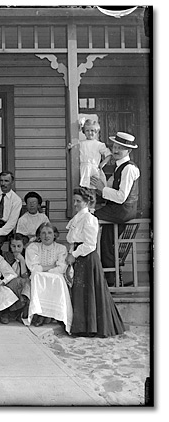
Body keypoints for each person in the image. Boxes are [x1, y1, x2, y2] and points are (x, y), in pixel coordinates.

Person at [66, 188, 125, 337]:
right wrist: (71, 255)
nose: (75, 204)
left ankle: (93, 328)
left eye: (78, 201)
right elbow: (73, 240)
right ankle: (82, 327)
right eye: (74, 201)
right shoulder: (77, 218)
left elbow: (90, 244)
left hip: (87, 258)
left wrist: (74, 254)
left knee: (89, 291)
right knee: (79, 291)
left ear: (87, 202)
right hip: (77, 257)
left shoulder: (89, 219)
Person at [91, 131, 140, 286]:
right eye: (114, 146)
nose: (116, 150)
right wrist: (100, 185)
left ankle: (103, 275)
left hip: (123, 210)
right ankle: (111, 279)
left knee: (89, 217)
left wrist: (102, 189)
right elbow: (111, 188)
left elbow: (121, 196)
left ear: (129, 151)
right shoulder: (119, 167)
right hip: (118, 209)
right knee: (107, 241)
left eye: (121, 148)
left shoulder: (128, 168)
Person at [24, 222, 73, 331]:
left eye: (50, 233)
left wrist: (43, 268)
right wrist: (52, 266)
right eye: (43, 233)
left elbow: (61, 268)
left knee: (58, 279)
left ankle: (54, 314)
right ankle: (41, 313)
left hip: (55, 277)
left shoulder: (61, 248)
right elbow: (33, 267)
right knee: (37, 277)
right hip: (39, 276)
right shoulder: (33, 247)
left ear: (55, 235)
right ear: (39, 236)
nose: (47, 236)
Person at [69, 119, 111, 189]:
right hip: (83, 169)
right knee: (83, 189)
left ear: (96, 132)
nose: (90, 133)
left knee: (93, 187)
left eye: (92, 131)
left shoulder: (99, 145)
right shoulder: (81, 143)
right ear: (84, 132)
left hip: (93, 169)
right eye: (87, 131)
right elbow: (72, 147)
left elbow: (108, 154)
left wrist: (102, 164)